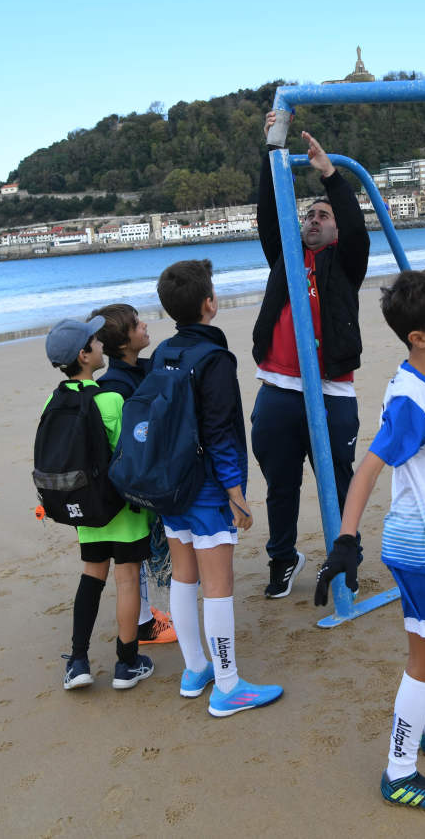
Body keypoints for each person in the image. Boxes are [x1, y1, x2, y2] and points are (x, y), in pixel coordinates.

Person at [316, 269, 425, 813]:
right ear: (420, 336)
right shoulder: (412, 402)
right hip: (419, 550)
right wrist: (346, 541)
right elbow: (368, 470)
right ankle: (399, 771)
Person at [152, 259, 283, 716]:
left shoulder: (162, 353)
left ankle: (195, 669)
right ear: (210, 303)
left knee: (184, 577)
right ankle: (227, 686)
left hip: (171, 487)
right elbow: (221, 433)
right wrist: (236, 493)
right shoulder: (215, 359)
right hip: (207, 489)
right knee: (218, 585)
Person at [253, 112, 370, 599]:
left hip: (331, 389)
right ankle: (283, 559)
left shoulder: (345, 264)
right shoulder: (284, 256)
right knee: (280, 484)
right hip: (280, 388)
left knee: (339, 483)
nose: (313, 220)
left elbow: (358, 229)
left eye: (323, 216)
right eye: (309, 215)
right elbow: (267, 214)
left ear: (337, 229)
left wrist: (329, 174)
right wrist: (271, 152)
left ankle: (346, 558)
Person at [44, 317, 156, 691]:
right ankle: (127, 663)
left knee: (91, 577)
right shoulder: (111, 400)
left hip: (85, 509)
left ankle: (77, 661)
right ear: (84, 355)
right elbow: (130, 453)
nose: (100, 345)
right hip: (121, 508)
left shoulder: (53, 399)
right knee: (126, 580)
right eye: (94, 341)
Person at [90, 303, 176, 647]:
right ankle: (142, 624)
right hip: (131, 484)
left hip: (139, 479)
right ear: (124, 342)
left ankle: (143, 617)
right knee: (133, 556)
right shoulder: (115, 386)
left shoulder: (140, 369)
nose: (144, 325)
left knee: (138, 555)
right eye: (137, 324)